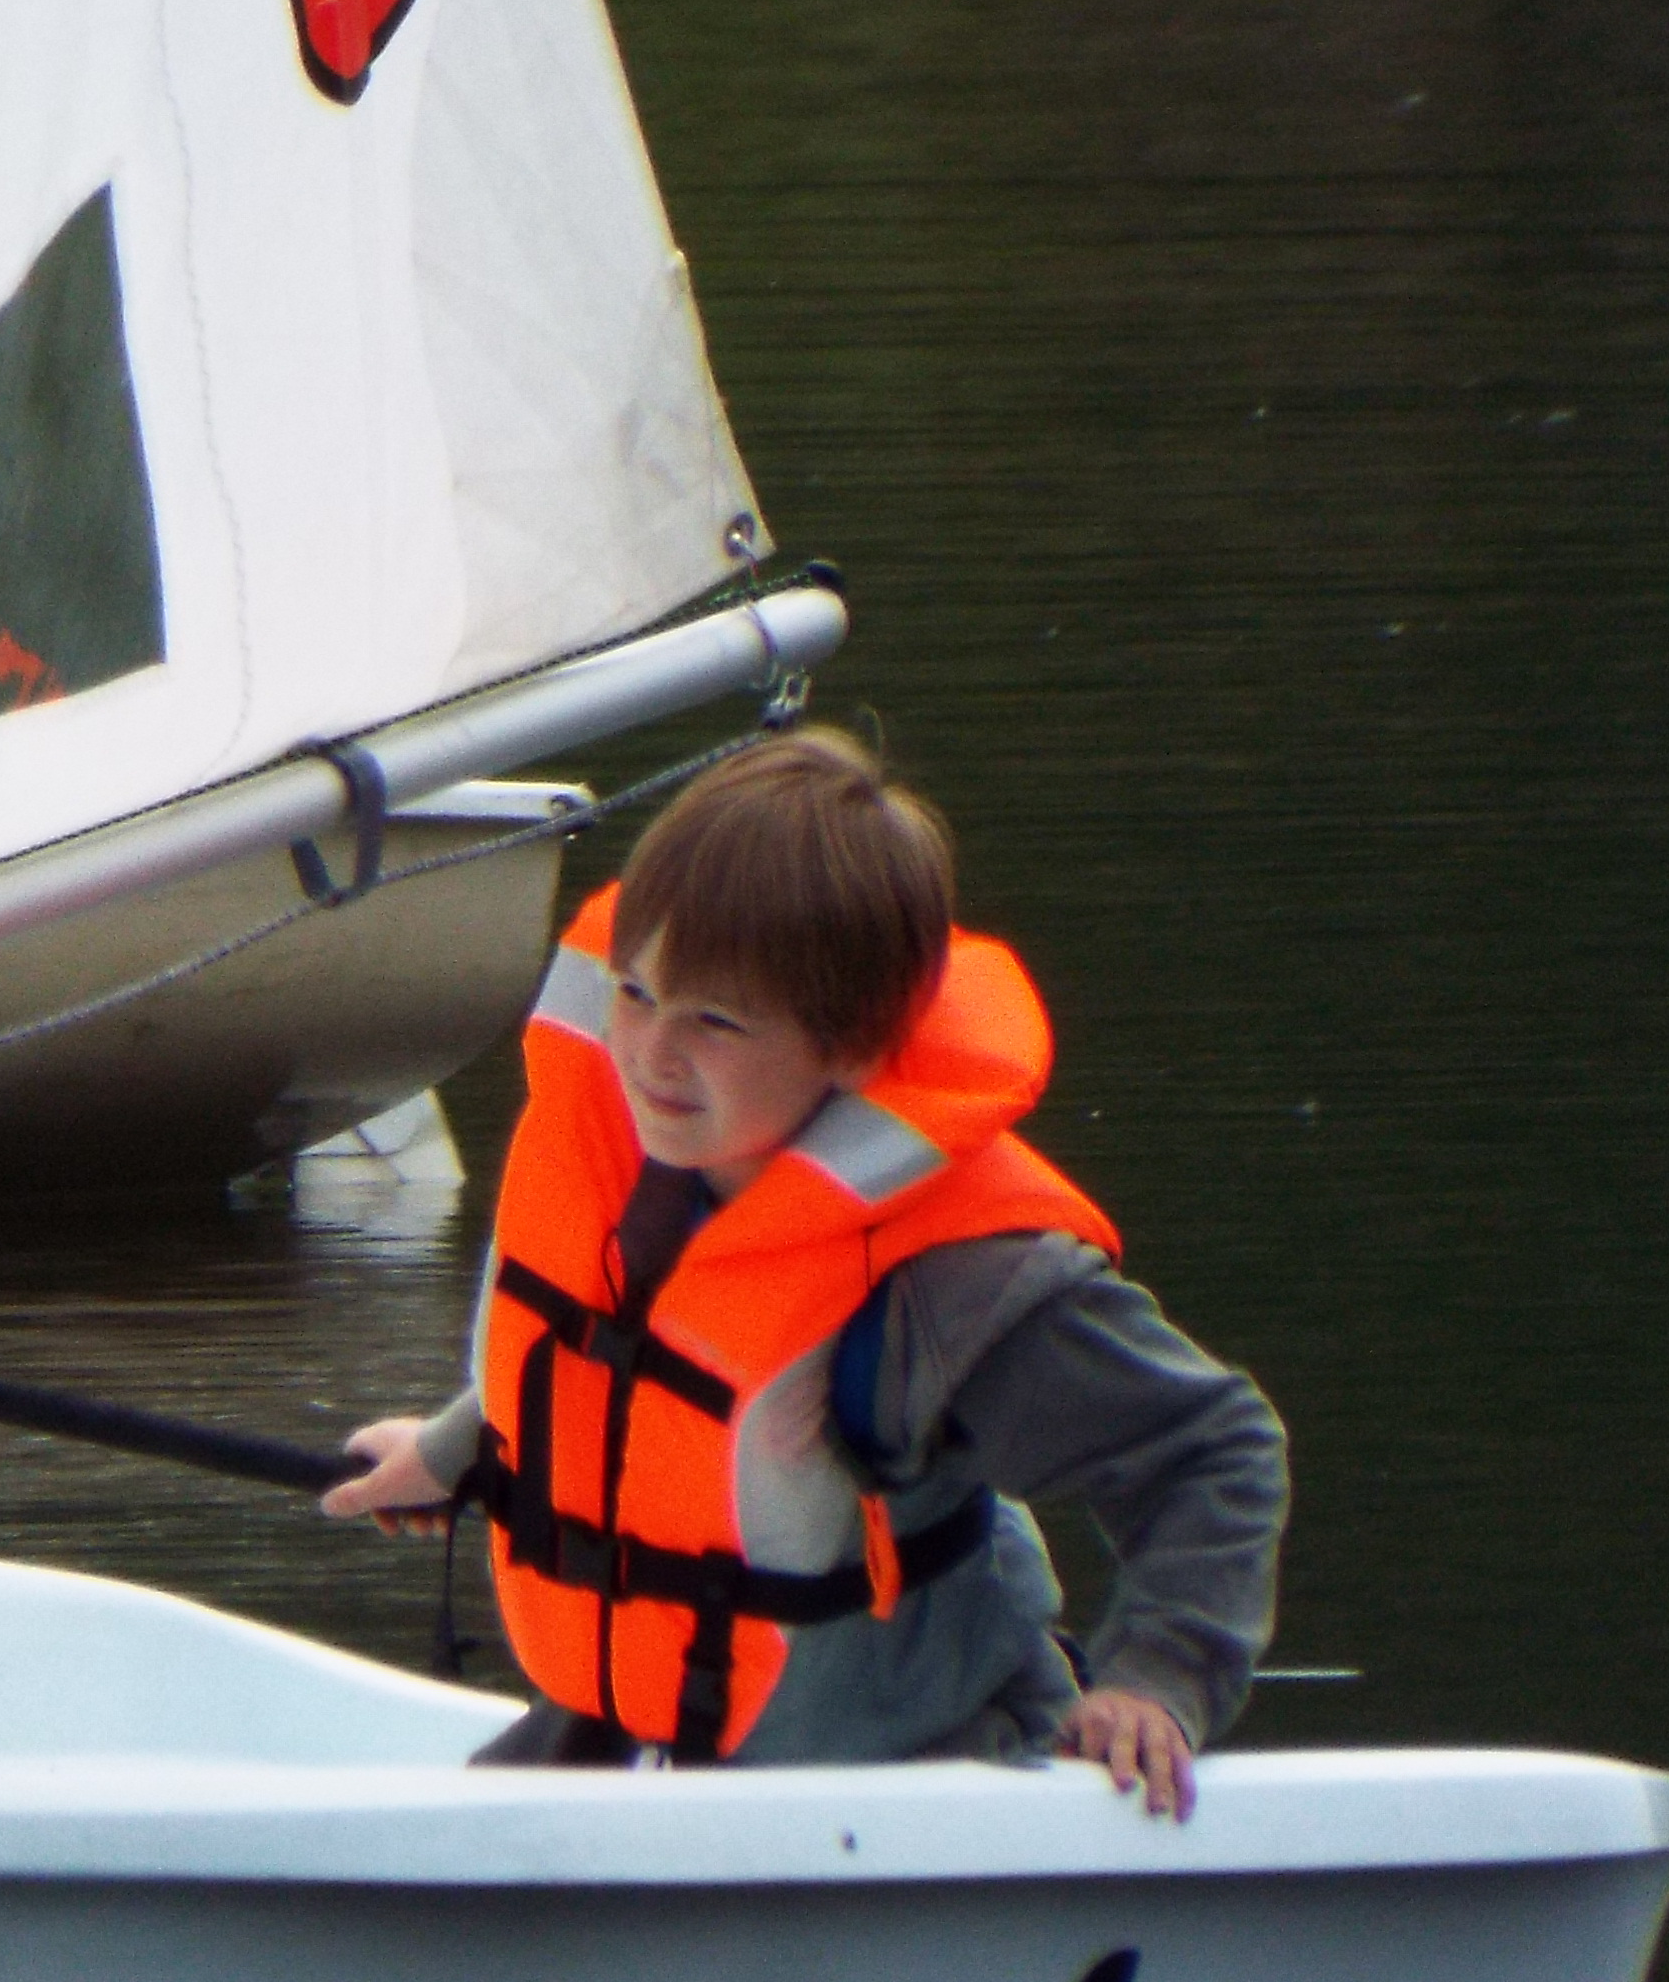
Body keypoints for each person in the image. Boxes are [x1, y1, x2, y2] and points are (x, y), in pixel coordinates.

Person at [324, 729, 1283, 1818]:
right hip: (653, 1736)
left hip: (909, 1782)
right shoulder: (646, 1166)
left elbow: (1212, 1451)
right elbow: (622, 1364)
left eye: (715, 1021)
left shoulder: (945, 1284)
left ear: (856, 1048)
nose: (651, 1055)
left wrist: (1156, 1680)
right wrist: (452, 1452)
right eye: (635, 992)